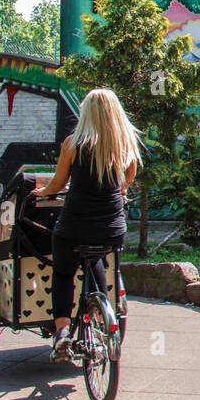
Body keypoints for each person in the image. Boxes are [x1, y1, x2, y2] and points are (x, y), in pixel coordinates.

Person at [32, 88, 141, 362]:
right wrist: (119, 191)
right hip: (112, 229)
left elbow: (57, 184)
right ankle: (100, 322)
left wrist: (43, 193)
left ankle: (62, 333)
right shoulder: (124, 144)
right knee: (95, 260)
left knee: (64, 272)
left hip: (74, 225)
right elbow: (129, 177)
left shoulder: (73, 143)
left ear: (86, 113)